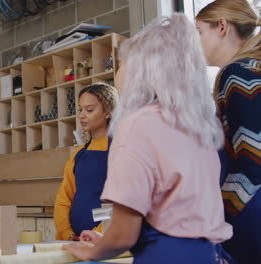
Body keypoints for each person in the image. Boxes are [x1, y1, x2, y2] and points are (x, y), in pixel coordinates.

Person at [63, 14, 233, 263]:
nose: (119, 72)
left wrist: (94, 251)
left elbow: (123, 235)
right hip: (210, 254)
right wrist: (107, 242)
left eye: (121, 64)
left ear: (141, 71)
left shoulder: (137, 125)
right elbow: (175, 213)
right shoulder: (200, 124)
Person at [196, 1, 261, 263]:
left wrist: (219, 213)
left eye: (199, 32)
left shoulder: (236, 73)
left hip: (251, 212)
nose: (195, 42)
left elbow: (254, 156)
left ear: (221, 26)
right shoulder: (250, 69)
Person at [54, 83, 118, 241]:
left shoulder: (120, 151)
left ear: (108, 112)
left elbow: (120, 204)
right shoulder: (78, 154)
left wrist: (97, 234)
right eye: (80, 110)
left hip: (105, 239)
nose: (82, 115)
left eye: (89, 110)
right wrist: (66, 233)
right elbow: (64, 198)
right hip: (74, 238)